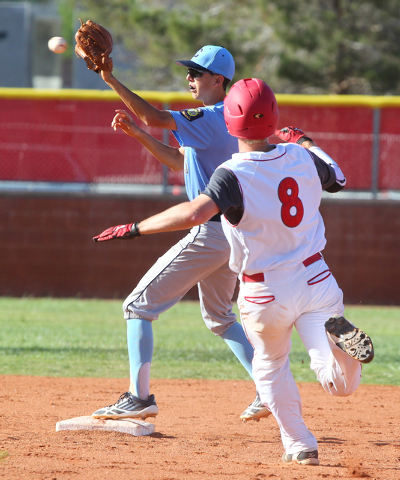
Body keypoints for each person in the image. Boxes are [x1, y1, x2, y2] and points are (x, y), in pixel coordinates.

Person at [93, 78, 374, 465]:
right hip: (317, 280)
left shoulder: (231, 172)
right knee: (338, 382)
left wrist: (137, 227)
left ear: (229, 124)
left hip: (265, 292)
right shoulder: (299, 156)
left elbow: (193, 214)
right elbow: (338, 178)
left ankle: (299, 443)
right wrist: (303, 140)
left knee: (271, 366)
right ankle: (343, 357)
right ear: (274, 117)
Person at [91, 46, 270, 422]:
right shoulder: (222, 119)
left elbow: (154, 115)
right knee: (220, 317)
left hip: (210, 232)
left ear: (219, 81)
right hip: (234, 234)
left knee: (137, 306)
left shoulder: (209, 115)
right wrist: (138, 134)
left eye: (198, 72)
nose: (190, 77)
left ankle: (139, 398)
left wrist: (110, 79)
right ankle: (268, 388)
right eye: (189, 70)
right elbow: (179, 159)